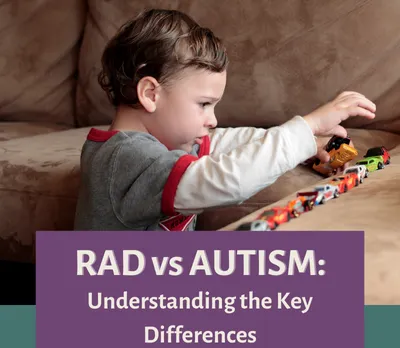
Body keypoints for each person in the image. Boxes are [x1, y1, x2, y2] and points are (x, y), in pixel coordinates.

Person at [74, 9, 376, 231]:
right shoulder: (124, 159)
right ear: (151, 94)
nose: (213, 119)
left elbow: (227, 142)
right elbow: (229, 180)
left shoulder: (167, 144)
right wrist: (307, 126)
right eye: (204, 104)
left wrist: (309, 145)